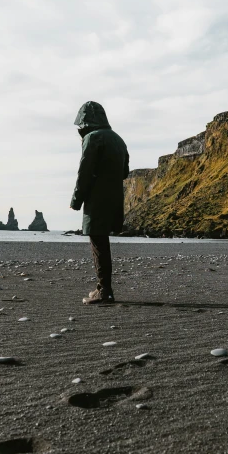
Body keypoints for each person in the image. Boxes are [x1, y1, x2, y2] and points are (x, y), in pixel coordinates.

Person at [70, 101, 130, 304]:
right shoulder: (119, 140)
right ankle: (105, 289)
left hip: (97, 200)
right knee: (102, 243)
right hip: (115, 199)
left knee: (98, 244)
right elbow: (125, 172)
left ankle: (104, 290)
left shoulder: (91, 138)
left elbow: (84, 172)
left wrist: (76, 199)